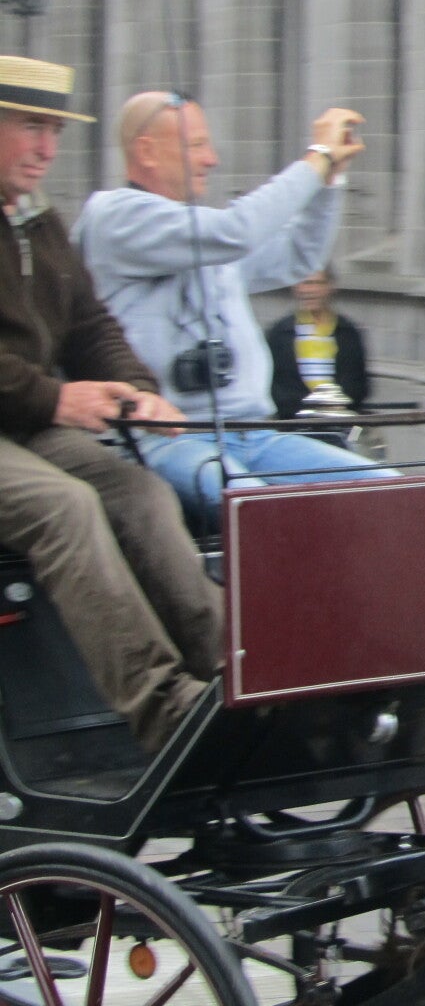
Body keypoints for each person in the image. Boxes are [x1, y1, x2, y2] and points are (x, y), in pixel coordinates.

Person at [0, 58, 223, 753]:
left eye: (55, 131)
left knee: (139, 491)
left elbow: (90, 326)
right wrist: (55, 397)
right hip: (25, 418)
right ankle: (165, 705)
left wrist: (136, 391)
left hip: (23, 424)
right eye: (32, 127)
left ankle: (234, 670)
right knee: (64, 507)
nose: (47, 148)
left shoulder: (37, 221)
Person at [74, 93, 396, 532]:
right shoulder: (115, 216)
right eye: (196, 145)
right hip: (164, 439)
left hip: (252, 433)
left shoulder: (203, 233)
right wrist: (316, 157)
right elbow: (237, 232)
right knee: (256, 514)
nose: (212, 159)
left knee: (388, 491)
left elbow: (299, 256)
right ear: (146, 151)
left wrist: (329, 180)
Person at [266, 267, 372, 419]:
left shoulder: (348, 332)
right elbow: (275, 385)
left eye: (317, 283)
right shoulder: (280, 333)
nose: (310, 290)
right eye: (305, 283)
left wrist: (332, 407)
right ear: (295, 287)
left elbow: (357, 383)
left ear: (330, 287)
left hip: (338, 421)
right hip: (292, 422)